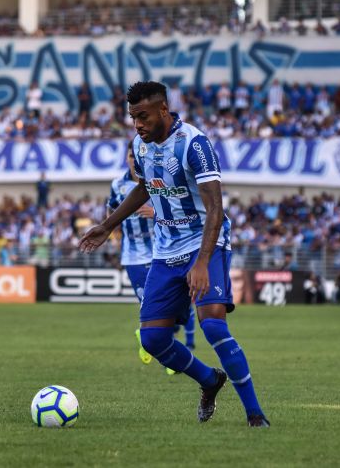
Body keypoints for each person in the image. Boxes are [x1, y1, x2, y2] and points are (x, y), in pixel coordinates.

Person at [80, 81, 269, 427]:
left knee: (213, 327)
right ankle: (210, 380)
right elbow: (144, 188)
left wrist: (201, 263)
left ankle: (255, 415)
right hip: (166, 250)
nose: (137, 124)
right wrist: (108, 225)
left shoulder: (194, 145)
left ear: (164, 110)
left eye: (143, 116)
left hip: (204, 243)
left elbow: (215, 209)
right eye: (133, 117)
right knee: (153, 339)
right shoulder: (140, 145)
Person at [108, 142, 196, 373]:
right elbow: (111, 209)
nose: (131, 159)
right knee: (150, 305)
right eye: (128, 156)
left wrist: (155, 212)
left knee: (174, 308)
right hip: (133, 256)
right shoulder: (118, 185)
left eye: (133, 155)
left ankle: (166, 347)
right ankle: (168, 357)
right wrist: (113, 232)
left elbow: (176, 208)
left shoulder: (158, 179)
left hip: (162, 252)